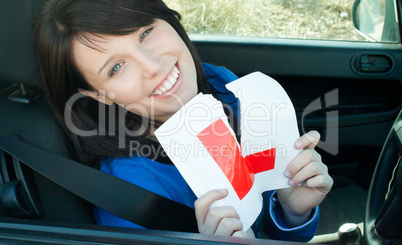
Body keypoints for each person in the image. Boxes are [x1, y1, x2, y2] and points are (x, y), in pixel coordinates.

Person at [33, 0, 333, 241]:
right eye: (117, 68)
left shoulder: (221, 83)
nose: (153, 66)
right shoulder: (128, 193)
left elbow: (269, 214)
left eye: (145, 32)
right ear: (99, 96)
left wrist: (293, 213)